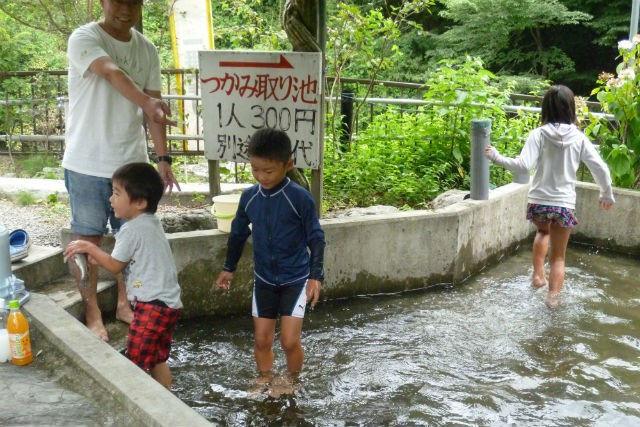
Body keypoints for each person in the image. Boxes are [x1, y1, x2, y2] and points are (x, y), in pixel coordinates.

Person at [63, 0, 180, 341]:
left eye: (133, 1)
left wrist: (162, 158)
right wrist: (144, 101)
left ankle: (126, 304)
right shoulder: (84, 37)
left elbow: (155, 109)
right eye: (118, 1)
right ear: (102, 2)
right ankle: (92, 311)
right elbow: (112, 71)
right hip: (86, 160)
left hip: (130, 162)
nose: (125, 8)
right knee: (87, 240)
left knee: (130, 239)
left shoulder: (147, 49)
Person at [484, 84, 615, 308]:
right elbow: (600, 168)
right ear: (571, 109)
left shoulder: (538, 134)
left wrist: (496, 156)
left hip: (539, 201)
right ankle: (553, 299)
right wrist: (606, 193)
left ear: (546, 108)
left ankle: (537, 276)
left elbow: (523, 165)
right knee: (559, 257)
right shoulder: (579, 138)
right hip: (563, 204)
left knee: (543, 232)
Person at [215, 128, 325, 392]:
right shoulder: (249, 197)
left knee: (289, 341)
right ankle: (264, 376)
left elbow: (316, 237)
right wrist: (228, 268)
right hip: (264, 279)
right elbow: (239, 234)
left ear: (288, 165)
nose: (261, 177)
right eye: (255, 169)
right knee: (262, 339)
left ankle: (292, 379)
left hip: (295, 280)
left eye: (269, 171)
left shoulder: (299, 198)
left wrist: (315, 276)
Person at [64, 163, 182, 388]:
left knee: (134, 360)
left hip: (152, 306)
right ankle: (168, 400)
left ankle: (139, 404)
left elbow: (115, 266)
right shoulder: (150, 224)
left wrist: (90, 248)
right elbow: (125, 259)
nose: (110, 199)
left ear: (139, 202)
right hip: (169, 304)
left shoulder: (131, 230)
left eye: (117, 193)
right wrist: (97, 257)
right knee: (157, 357)